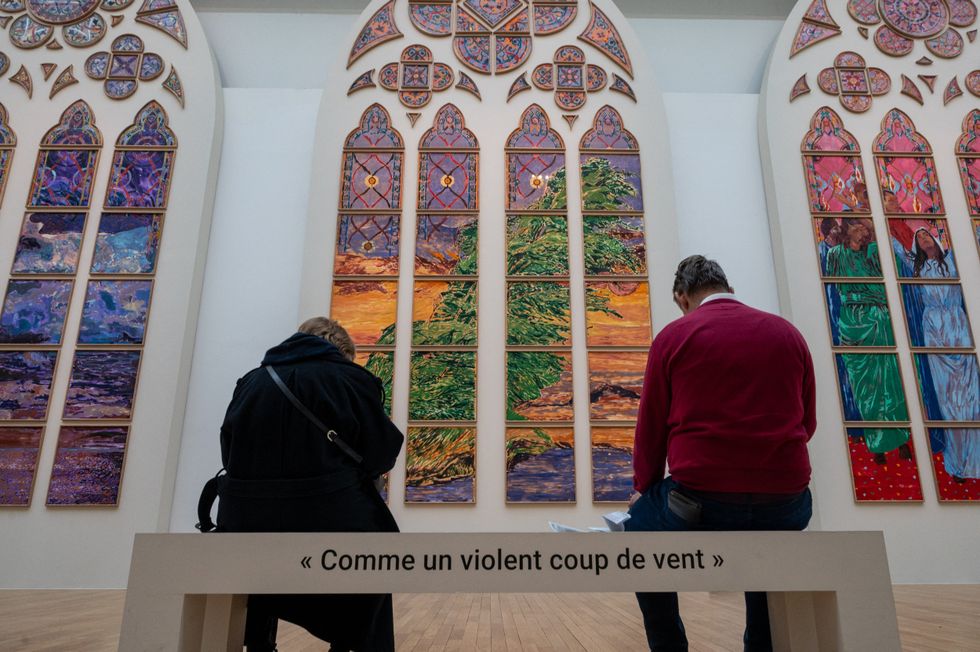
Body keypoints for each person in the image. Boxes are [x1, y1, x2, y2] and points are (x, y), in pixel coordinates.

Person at [626, 255, 816, 652]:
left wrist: (645, 489)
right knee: (766, 551)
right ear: (727, 287)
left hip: (700, 504)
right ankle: (762, 646)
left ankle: (669, 647)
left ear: (682, 296)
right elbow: (807, 422)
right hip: (786, 505)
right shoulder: (788, 334)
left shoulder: (674, 338)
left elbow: (650, 432)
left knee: (638, 529)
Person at [213, 317, 403, 652]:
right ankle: (348, 644)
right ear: (342, 350)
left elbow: (229, 455)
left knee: (261, 558)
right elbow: (380, 455)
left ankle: (259, 643)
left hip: (245, 525)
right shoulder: (352, 379)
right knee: (377, 557)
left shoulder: (252, 382)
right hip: (332, 522)